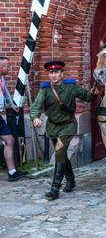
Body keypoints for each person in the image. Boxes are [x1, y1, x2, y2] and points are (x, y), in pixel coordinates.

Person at [30, 60, 99, 200]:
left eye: (56, 72)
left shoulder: (71, 87)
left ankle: (54, 189)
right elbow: (36, 106)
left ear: (62, 74)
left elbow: (87, 97)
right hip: (52, 127)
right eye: (51, 73)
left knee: (59, 153)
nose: (53, 75)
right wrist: (35, 118)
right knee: (61, 155)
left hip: (68, 126)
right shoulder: (45, 89)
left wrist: (93, 93)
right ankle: (71, 181)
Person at [0, 57, 28, 181]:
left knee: (9, 140)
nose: (8, 68)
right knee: (9, 140)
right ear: (1, 67)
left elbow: (5, 92)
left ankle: (12, 172)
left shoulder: (1, 78)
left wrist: (11, 105)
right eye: (7, 66)